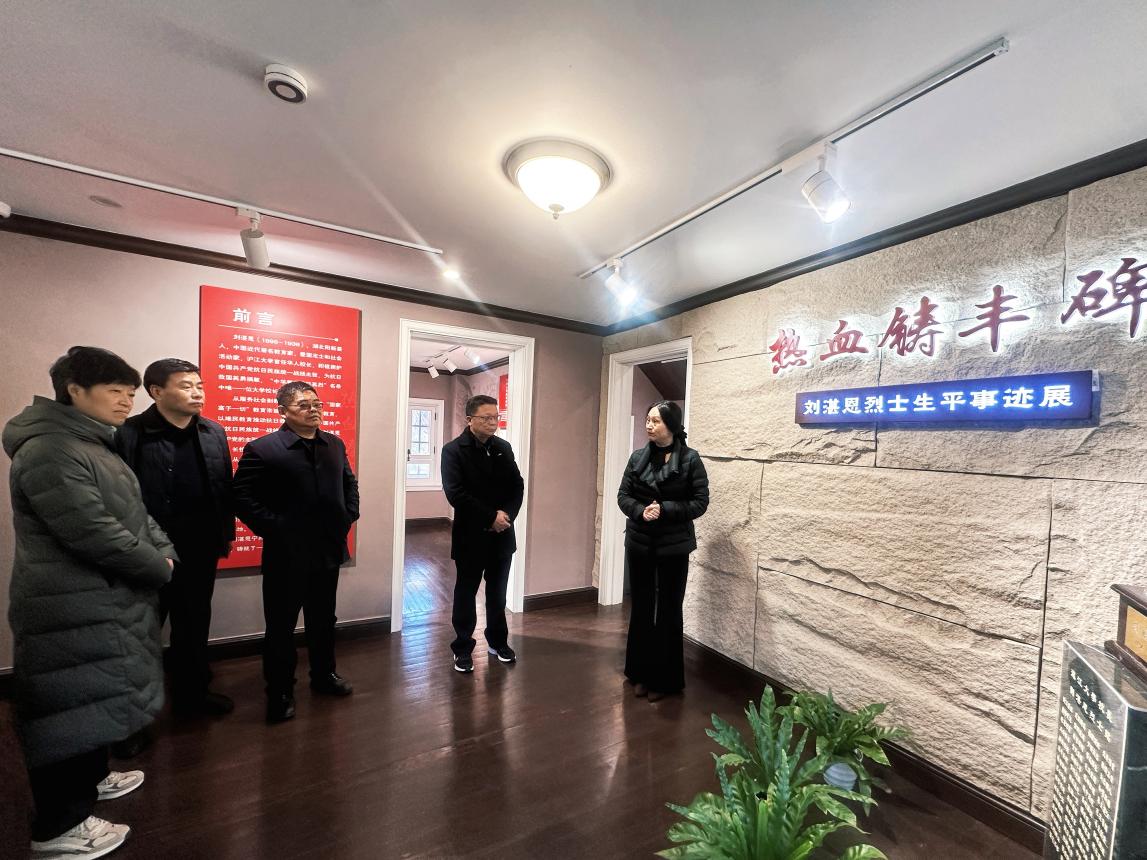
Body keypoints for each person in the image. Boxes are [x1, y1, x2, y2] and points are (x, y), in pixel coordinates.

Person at [4, 346, 175, 859]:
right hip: (69, 605)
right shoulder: (50, 449)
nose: (126, 401)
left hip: (103, 598)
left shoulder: (93, 442)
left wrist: (164, 551)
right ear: (74, 391)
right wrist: (157, 565)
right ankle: (59, 828)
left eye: (130, 393)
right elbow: (93, 532)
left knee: (94, 698)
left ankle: (91, 780)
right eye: (114, 391)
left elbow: (136, 515)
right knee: (66, 710)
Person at [232, 381, 360, 724]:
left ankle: (324, 675)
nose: (313, 410)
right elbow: (241, 496)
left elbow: (349, 483)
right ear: (283, 411)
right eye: (304, 405)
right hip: (286, 554)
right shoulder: (263, 449)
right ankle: (280, 691)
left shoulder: (334, 444)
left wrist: (349, 514)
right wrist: (276, 528)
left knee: (324, 619)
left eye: (317, 404)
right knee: (281, 626)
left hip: (328, 549)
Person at [116, 358, 235, 717]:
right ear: (156, 391)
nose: (197, 393)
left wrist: (224, 534)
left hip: (200, 547)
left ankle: (192, 695)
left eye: (199, 385)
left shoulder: (213, 432)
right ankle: (133, 714)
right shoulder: (129, 433)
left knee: (194, 622)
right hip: (148, 550)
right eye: (186, 386)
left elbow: (223, 488)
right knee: (140, 629)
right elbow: (120, 497)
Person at [617, 400, 709, 702]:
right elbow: (623, 495)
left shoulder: (690, 459)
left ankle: (665, 680)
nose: (649, 425)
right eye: (648, 419)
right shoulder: (637, 457)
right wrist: (640, 511)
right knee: (642, 607)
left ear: (671, 425)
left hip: (674, 545)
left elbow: (700, 502)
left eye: (655, 421)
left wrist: (666, 509)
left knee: (669, 608)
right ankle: (639, 673)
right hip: (640, 541)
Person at [440, 394, 525, 673]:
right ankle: (463, 647)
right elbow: (456, 494)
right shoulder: (453, 451)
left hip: (502, 536)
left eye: (496, 417)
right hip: (471, 536)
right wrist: (490, 517)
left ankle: (498, 642)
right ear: (469, 420)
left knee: (498, 595)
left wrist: (506, 516)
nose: (493, 422)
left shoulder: (503, 447)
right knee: (466, 593)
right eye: (486, 418)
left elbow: (517, 486)